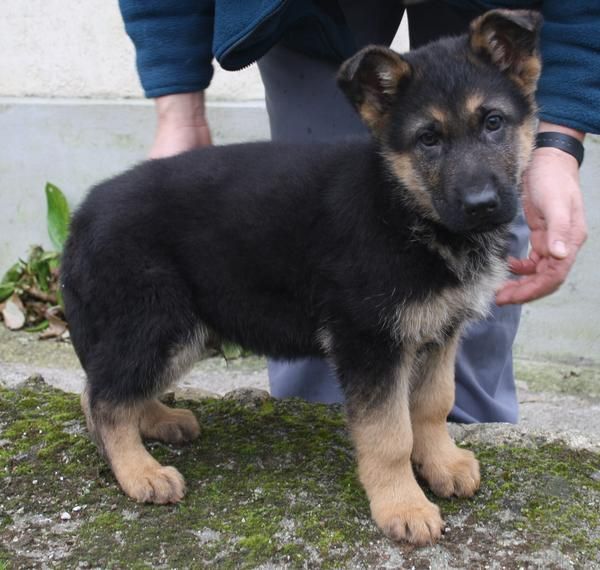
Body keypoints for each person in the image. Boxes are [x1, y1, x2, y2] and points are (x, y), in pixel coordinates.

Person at [118, 0, 598, 422]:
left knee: (474, 284)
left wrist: (557, 146)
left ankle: (459, 430)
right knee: (311, 244)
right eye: (430, 139)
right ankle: (317, 443)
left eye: (493, 124)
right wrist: (179, 108)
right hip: (308, 8)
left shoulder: (506, 56)